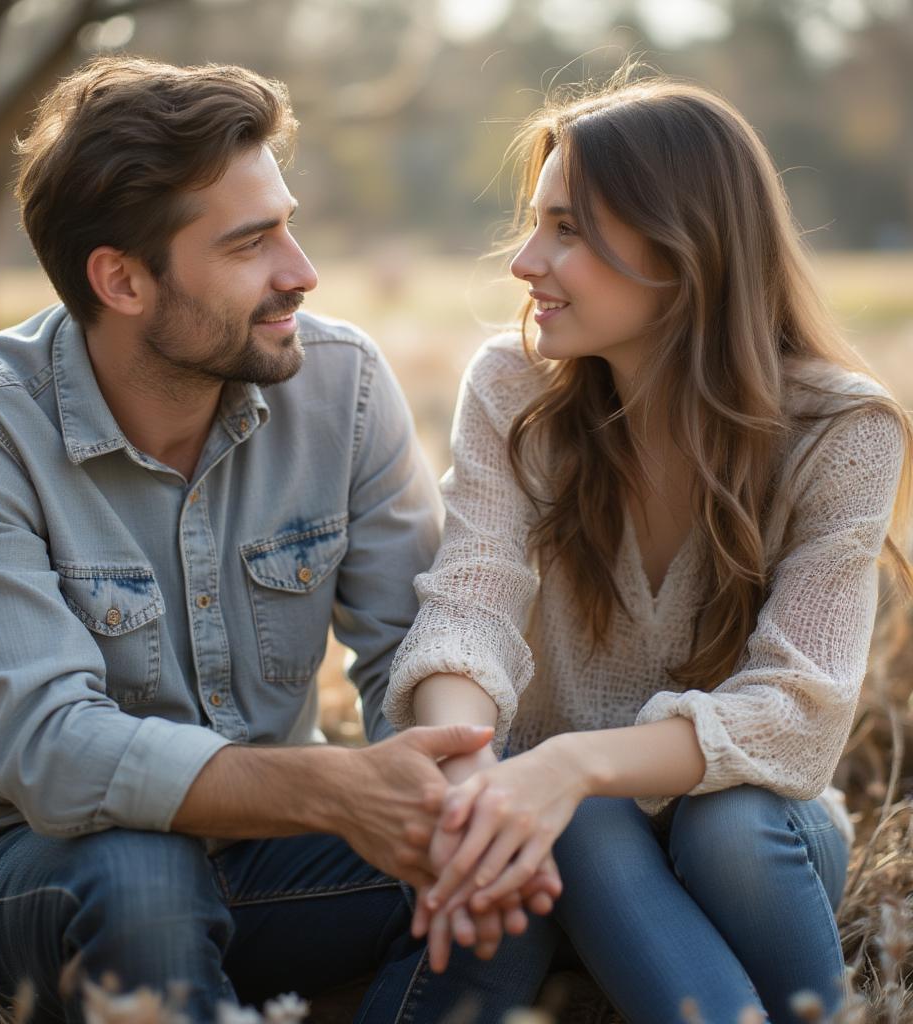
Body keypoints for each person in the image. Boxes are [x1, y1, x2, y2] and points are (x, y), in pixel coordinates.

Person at [0, 57, 558, 1024]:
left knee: (528, 856)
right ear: (120, 279)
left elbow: (414, 650)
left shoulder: (343, 386)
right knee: (144, 870)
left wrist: (460, 803)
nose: (302, 271)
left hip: (270, 852)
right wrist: (335, 790)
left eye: (287, 225)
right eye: (252, 244)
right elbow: (54, 753)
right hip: (41, 871)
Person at [385, 73, 913, 1022]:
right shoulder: (518, 390)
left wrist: (566, 763)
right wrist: (477, 789)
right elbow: (469, 604)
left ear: (684, 248)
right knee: (582, 816)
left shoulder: (842, 429)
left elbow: (797, 712)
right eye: (536, 222)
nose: (525, 262)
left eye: (569, 229)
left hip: (761, 833)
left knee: (731, 823)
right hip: (570, 828)